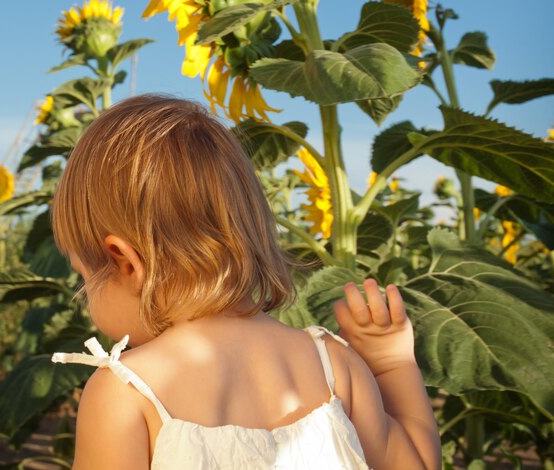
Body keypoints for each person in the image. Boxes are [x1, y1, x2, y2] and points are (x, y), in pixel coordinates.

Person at [50, 95, 441, 470]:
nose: (84, 296)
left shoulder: (125, 394)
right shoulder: (333, 366)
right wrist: (391, 364)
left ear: (125, 262)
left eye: (83, 276)